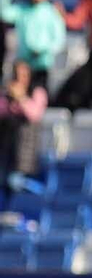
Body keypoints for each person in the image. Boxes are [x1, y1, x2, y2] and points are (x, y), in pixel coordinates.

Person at [0, 0, 67, 89]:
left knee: (39, 93)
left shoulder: (52, 12)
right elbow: (4, 13)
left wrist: (43, 51)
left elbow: (59, 39)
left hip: (42, 64)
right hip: (23, 64)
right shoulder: (22, 10)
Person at [0, 61, 48, 205]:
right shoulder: (5, 95)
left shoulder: (37, 93)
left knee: (16, 183)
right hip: (5, 153)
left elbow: (33, 114)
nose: (21, 78)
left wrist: (20, 98)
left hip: (25, 154)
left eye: (24, 75)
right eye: (17, 75)